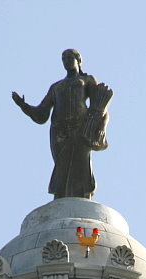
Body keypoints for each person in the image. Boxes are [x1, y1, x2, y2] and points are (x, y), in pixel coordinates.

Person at [12, 49, 112, 199]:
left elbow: (100, 107)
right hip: (59, 130)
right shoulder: (56, 87)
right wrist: (23, 106)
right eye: (63, 58)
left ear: (78, 60)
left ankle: (84, 196)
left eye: (69, 57)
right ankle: (60, 197)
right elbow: (42, 114)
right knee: (62, 166)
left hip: (81, 128)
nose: (66, 61)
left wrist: (100, 126)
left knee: (81, 164)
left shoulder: (87, 80)